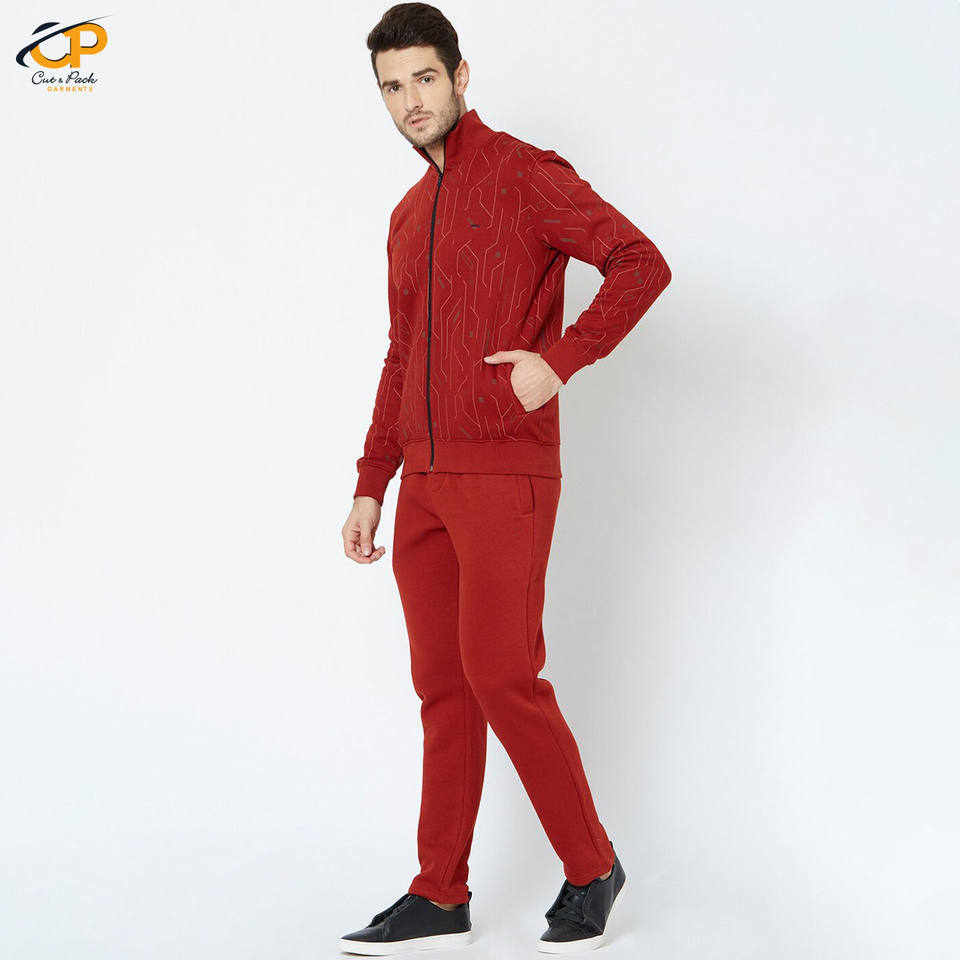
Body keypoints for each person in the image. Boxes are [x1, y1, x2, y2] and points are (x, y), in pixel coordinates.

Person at [339, 3, 671, 954]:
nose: (410, 100)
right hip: (424, 484)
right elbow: (401, 354)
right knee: (443, 689)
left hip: (504, 474)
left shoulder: (525, 173)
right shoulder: (406, 216)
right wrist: (372, 480)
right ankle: (438, 892)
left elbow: (639, 263)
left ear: (459, 76)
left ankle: (592, 865)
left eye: (424, 78)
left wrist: (557, 362)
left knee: (502, 675)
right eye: (392, 87)